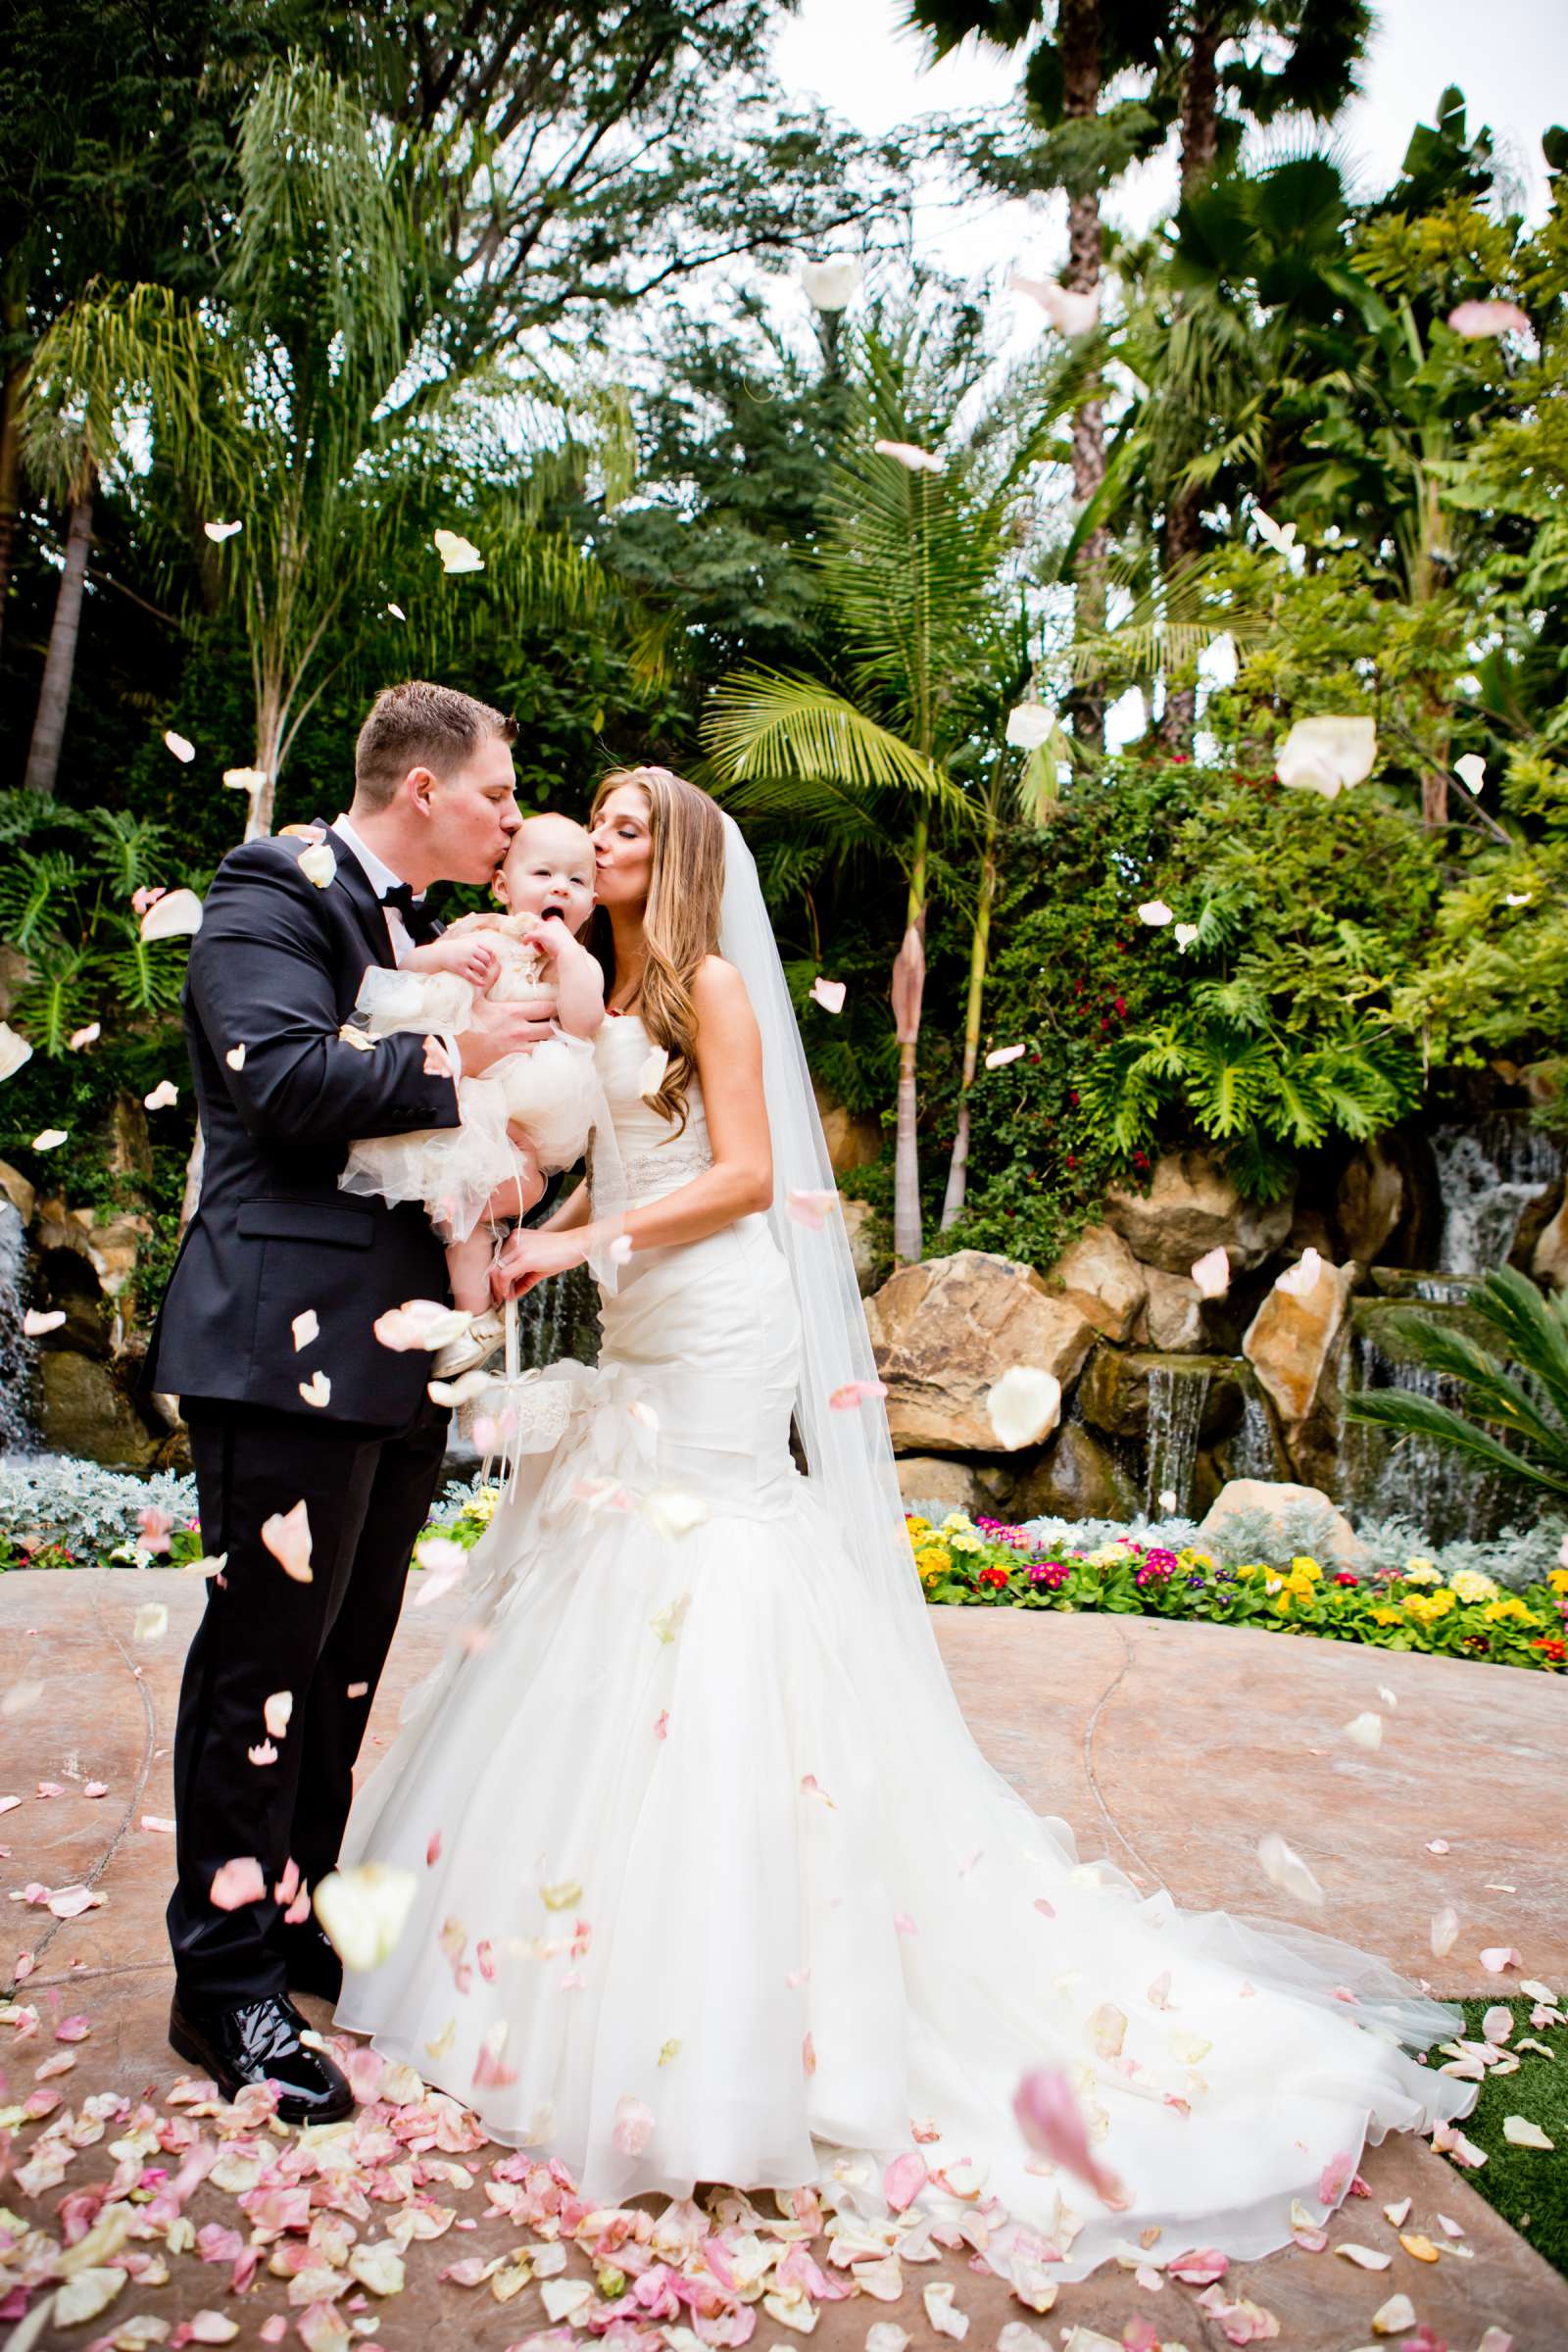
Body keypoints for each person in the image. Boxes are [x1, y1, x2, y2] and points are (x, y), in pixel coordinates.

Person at [332, 765, 1476, 2281]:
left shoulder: (725, 986)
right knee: (617, 1575)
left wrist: (591, 1228)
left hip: (723, 1322)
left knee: (714, 1568)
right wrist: (500, 1137)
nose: (592, 844)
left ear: (670, 856)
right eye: (584, 825)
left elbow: (744, 1177)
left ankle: (745, 1997)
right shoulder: (610, 984)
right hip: (641, 1316)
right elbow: (573, 1115)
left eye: (619, 828)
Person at [144, 679, 557, 2125]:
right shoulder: (275, 882)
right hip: (283, 1339)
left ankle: (293, 1915)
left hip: (394, 1346)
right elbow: (276, 1079)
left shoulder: (407, 929)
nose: (513, 818)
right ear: (428, 788)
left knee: (345, 1660)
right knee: (261, 1662)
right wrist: (465, 1056)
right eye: (500, 792)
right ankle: (223, 1984)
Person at [338, 812, 608, 1376]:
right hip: (464, 1097)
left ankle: (473, 1318)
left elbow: (585, 1021)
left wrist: (564, 950)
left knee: (488, 1204)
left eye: (577, 880)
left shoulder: (577, 962)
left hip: (528, 1112)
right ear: (504, 886)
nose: (560, 886)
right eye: (543, 873)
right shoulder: (475, 932)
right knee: (461, 1214)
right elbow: (407, 971)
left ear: (591, 899)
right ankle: (469, 1317)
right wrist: (445, 957)